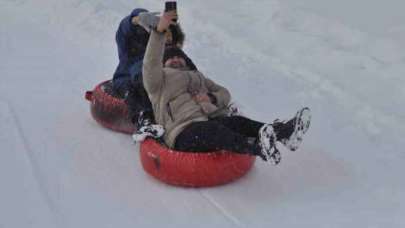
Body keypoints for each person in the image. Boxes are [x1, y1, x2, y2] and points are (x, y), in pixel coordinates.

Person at [141, 11, 311, 164]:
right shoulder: (158, 82)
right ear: (164, 64)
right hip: (182, 132)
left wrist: (212, 98)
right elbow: (150, 63)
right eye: (171, 59)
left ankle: (285, 133)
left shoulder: (198, 77)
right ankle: (258, 149)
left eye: (179, 58)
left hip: (207, 122)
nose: (176, 60)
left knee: (237, 122)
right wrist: (159, 32)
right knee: (213, 130)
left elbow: (224, 93)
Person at [111, 8, 196, 139]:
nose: (166, 38)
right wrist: (138, 19)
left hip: (161, 88)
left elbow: (193, 72)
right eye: (164, 32)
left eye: (169, 35)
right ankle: (145, 119)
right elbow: (124, 30)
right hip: (128, 80)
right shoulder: (136, 46)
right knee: (141, 80)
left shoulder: (171, 53)